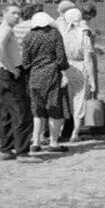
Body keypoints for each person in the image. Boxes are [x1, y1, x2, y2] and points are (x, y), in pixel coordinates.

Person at [22, 12, 70, 153]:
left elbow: (25, 62)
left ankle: (36, 142)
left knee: (37, 111)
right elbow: (61, 58)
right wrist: (63, 70)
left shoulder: (28, 37)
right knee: (54, 109)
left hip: (35, 76)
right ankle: (53, 143)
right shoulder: (55, 34)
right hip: (52, 76)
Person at [0, 4, 33, 161]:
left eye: (18, 13)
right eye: (13, 13)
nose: (17, 16)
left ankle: (6, 149)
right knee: (22, 113)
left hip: (6, 75)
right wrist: (11, 67)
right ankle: (22, 152)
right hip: (11, 75)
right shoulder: (6, 29)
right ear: (4, 14)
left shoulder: (3, 29)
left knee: (7, 114)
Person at [60, 8, 96, 143]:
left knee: (67, 100)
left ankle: (62, 130)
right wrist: (93, 80)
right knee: (79, 101)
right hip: (80, 68)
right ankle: (75, 132)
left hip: (65, 68)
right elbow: (88, 60)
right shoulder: (84, 36)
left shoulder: (62, 34)